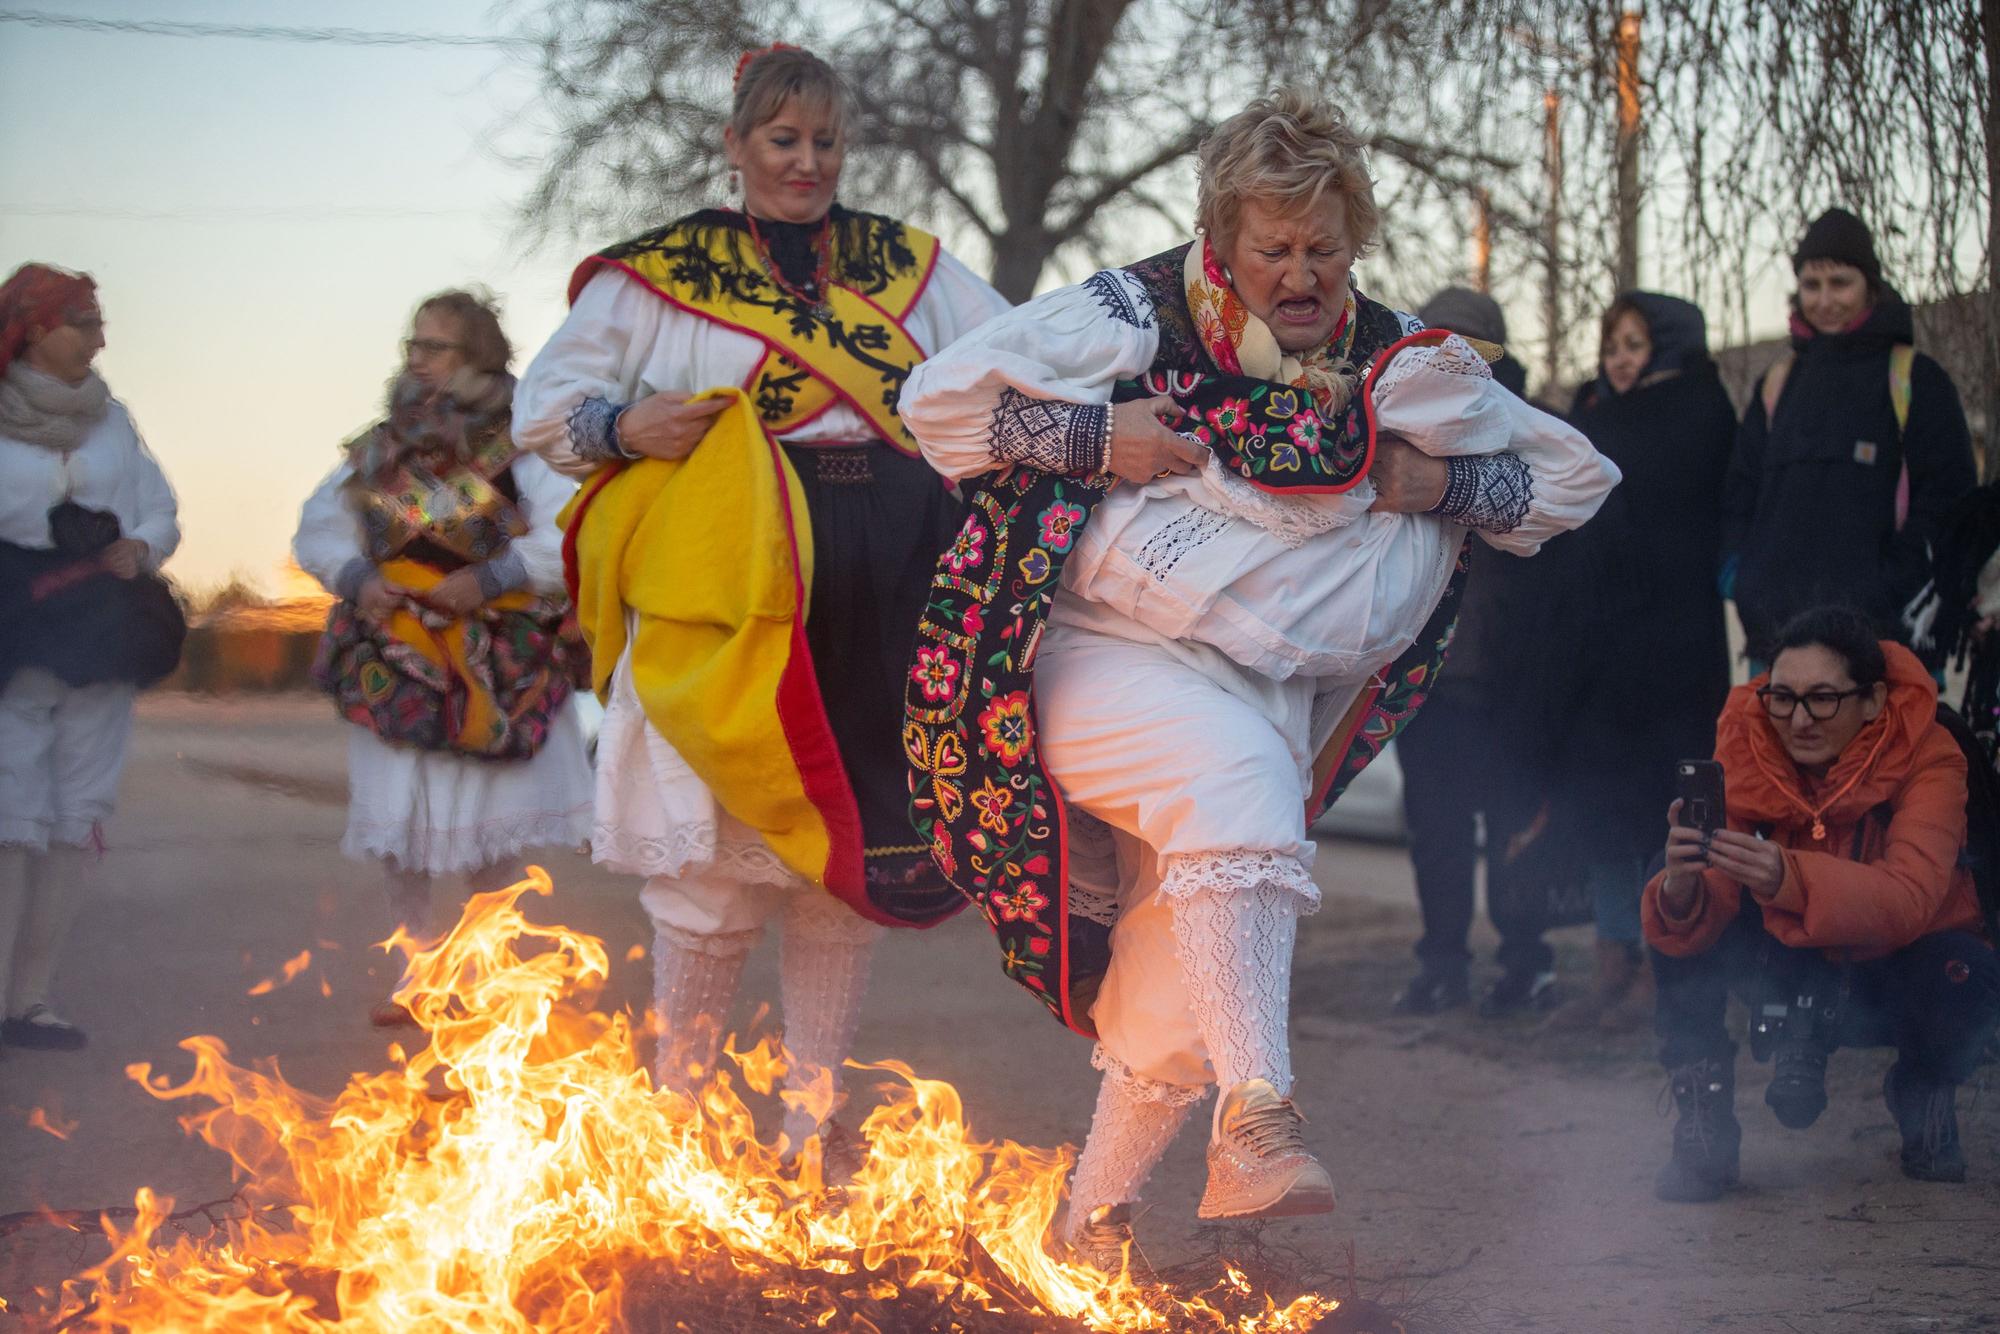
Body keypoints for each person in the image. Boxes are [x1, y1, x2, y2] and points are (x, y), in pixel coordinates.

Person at [899, 89, 1618, 1263]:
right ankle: (1259, 1122)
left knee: (1183, 985)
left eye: (1322, 248)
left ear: (1356, 240)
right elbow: (934, 404)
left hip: (1270, 689)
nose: (1299, 273)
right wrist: (1098, 440)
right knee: (1233, 782)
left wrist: (1436, 489)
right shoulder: (1131, 310)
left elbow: (1575, 480)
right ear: (1221, 238)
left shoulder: (1396, 357)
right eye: (1272, 247)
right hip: (1104, 655)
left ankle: (1087, 1225)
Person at [513, 46, 1009, 1157]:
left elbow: (1019, 356)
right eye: (782, 141)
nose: (807, 163)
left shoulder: (907, 265)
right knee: (710, 876)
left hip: (889, 578)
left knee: (844, 870)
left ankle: (807, 1123)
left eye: (825, 143)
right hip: (733, 571)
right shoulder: (658, 271)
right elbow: (544, 404)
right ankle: (674, 1124)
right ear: (733, 147)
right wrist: (619, 427)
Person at [293, 290, 593, 1027]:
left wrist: (487, 579)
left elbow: (572, 533)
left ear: (478, 357)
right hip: (395, 651)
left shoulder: (524, 442)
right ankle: (419, 976)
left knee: (491, 832)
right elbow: (318, 531)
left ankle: (492, 983)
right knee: (406, 829)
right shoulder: (377, 448)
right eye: (413, 346)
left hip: (497, 660)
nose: (418, 360)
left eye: (436, 347)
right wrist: (361, 579)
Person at [1644, 606, 2000, 1202]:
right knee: (1668, 891)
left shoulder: (1932, 753)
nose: (1799, 720)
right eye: (1782, 697)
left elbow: (1911, 897)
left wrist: (1792, 877)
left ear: (1873, 700)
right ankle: (1702, 1114)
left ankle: (1925, 1088)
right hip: (1783, 958)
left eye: (1823, 699)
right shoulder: (1750, 737)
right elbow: (1713, 891)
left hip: (1896, 960)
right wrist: (1684, 892)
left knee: (1963, 971)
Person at [0, 262, 183, 1052]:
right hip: (13, 626)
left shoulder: (114, 419)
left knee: (77, 812)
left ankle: (30, 1002)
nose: (102, 337)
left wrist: (141, 546)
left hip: (102, 630)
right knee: (9, 810)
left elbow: (159, 506)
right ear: (37, 329)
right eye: (85, 321)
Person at [1543, 292, 1736, 1032]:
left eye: (1636, 343)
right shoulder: (1591, 413)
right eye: (1613, 343)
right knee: (1601, 812)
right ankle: (1612, 966)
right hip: (1599, 650)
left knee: (1668, 811)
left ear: (1670, 346)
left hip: (1675, 649)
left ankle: (1668, 965)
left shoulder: (1702, 410)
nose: (1621, 358)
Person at [1389, 287, 1563, 1019]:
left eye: (1464, 345)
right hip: (1431, 676)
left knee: (1514, 829)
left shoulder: (1533, 432)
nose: (1449, 358)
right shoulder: (1397, 427)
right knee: (1437, 833)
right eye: (1432, 344)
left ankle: (1527, 962)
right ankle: (1443, 963)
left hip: (1512, 677)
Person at [1724, 208, 1976, 666]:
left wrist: (1887, 591)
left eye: (1840, 282)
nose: (1824, 300)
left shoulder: (1915, 379)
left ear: (1870, 288)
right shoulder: (1777, 384)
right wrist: (1744, 580)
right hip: (1776, 647)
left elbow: (1948, 502)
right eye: (1811, 285)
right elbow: (1741, 492)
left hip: (1882, 648)